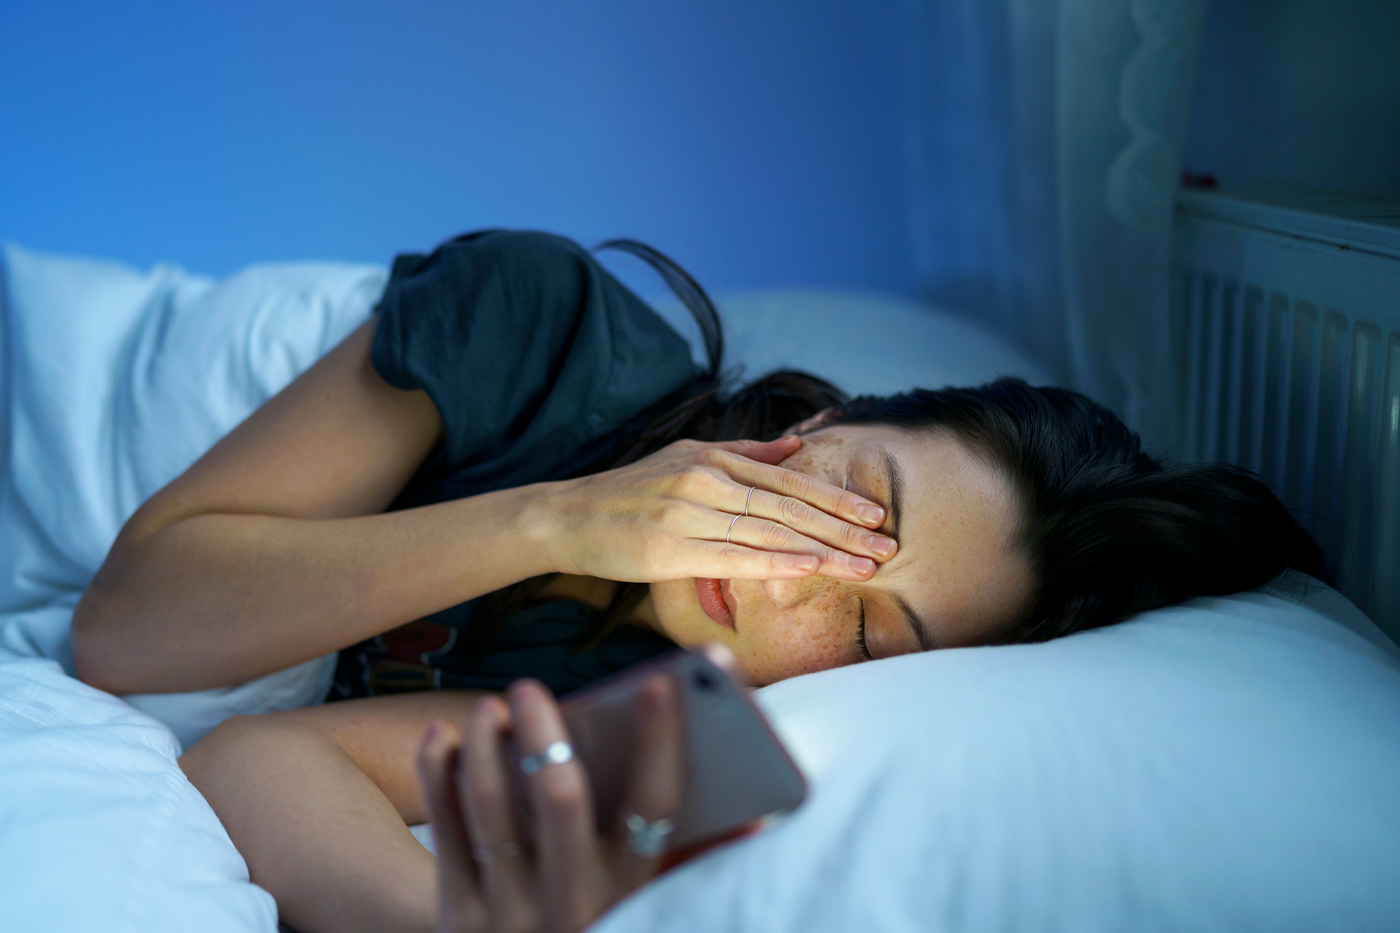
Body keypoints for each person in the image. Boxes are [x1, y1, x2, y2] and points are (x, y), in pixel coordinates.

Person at [70, 230, 1322, 933]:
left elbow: (253, 761)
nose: (793, 583)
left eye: (874, 639)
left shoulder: (705, 718)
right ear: (831, 415)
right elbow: (127, 631)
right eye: (853, 505)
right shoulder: (543, 322)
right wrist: (558, 520)